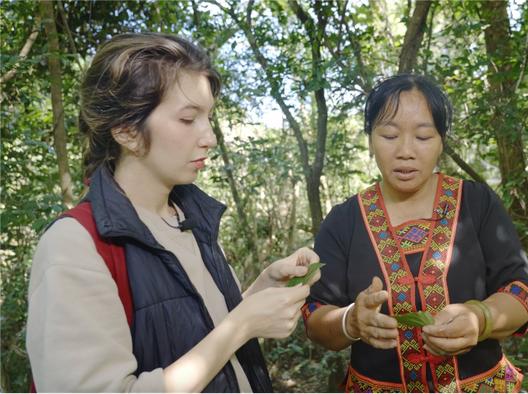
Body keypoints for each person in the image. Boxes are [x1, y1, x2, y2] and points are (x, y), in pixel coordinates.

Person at [26, 32, 319, 393]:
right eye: (187, 119)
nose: (209, 137)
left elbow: (196, 339)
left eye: (209, 117)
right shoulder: (75, 247)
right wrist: (241, 325)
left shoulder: (191, 219)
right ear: (127, 131)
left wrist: (257, 294)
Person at [303, 74, 528, 392]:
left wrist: (480, 317)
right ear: (370, 138)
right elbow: (315, 316)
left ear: (442, 140)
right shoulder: (344, 221)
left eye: (424, 137)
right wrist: (351, 320)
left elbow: (522, 290)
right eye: (388, 135)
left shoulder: (476, 203)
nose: (405, 151)